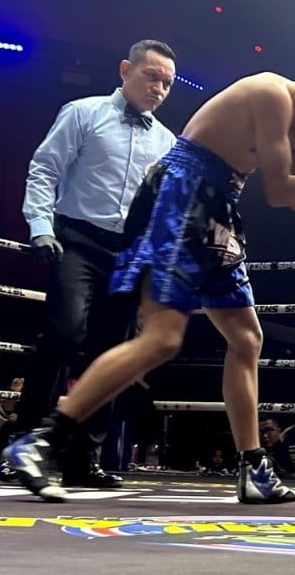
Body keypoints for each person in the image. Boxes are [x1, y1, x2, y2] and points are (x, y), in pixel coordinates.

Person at [4, 71, 295, 503]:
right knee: (162, 340)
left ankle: (252, 467)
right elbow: (277, 191)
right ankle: (41, 439)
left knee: (247, 338)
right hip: (181, 195)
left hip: (218, 207)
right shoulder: (272, 95)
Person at [16, 39, 178, 488]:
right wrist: (39, 226)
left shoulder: (167, 141)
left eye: (167, 83)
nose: (159, 89)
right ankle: (25, 444)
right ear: (126, 69)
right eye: (151, 76)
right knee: (64, 334)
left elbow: (162, 208)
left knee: (113, 355)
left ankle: (82, 457)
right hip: (76, 239)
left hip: (128, 253)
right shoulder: (83, 112)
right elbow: (45, 168)